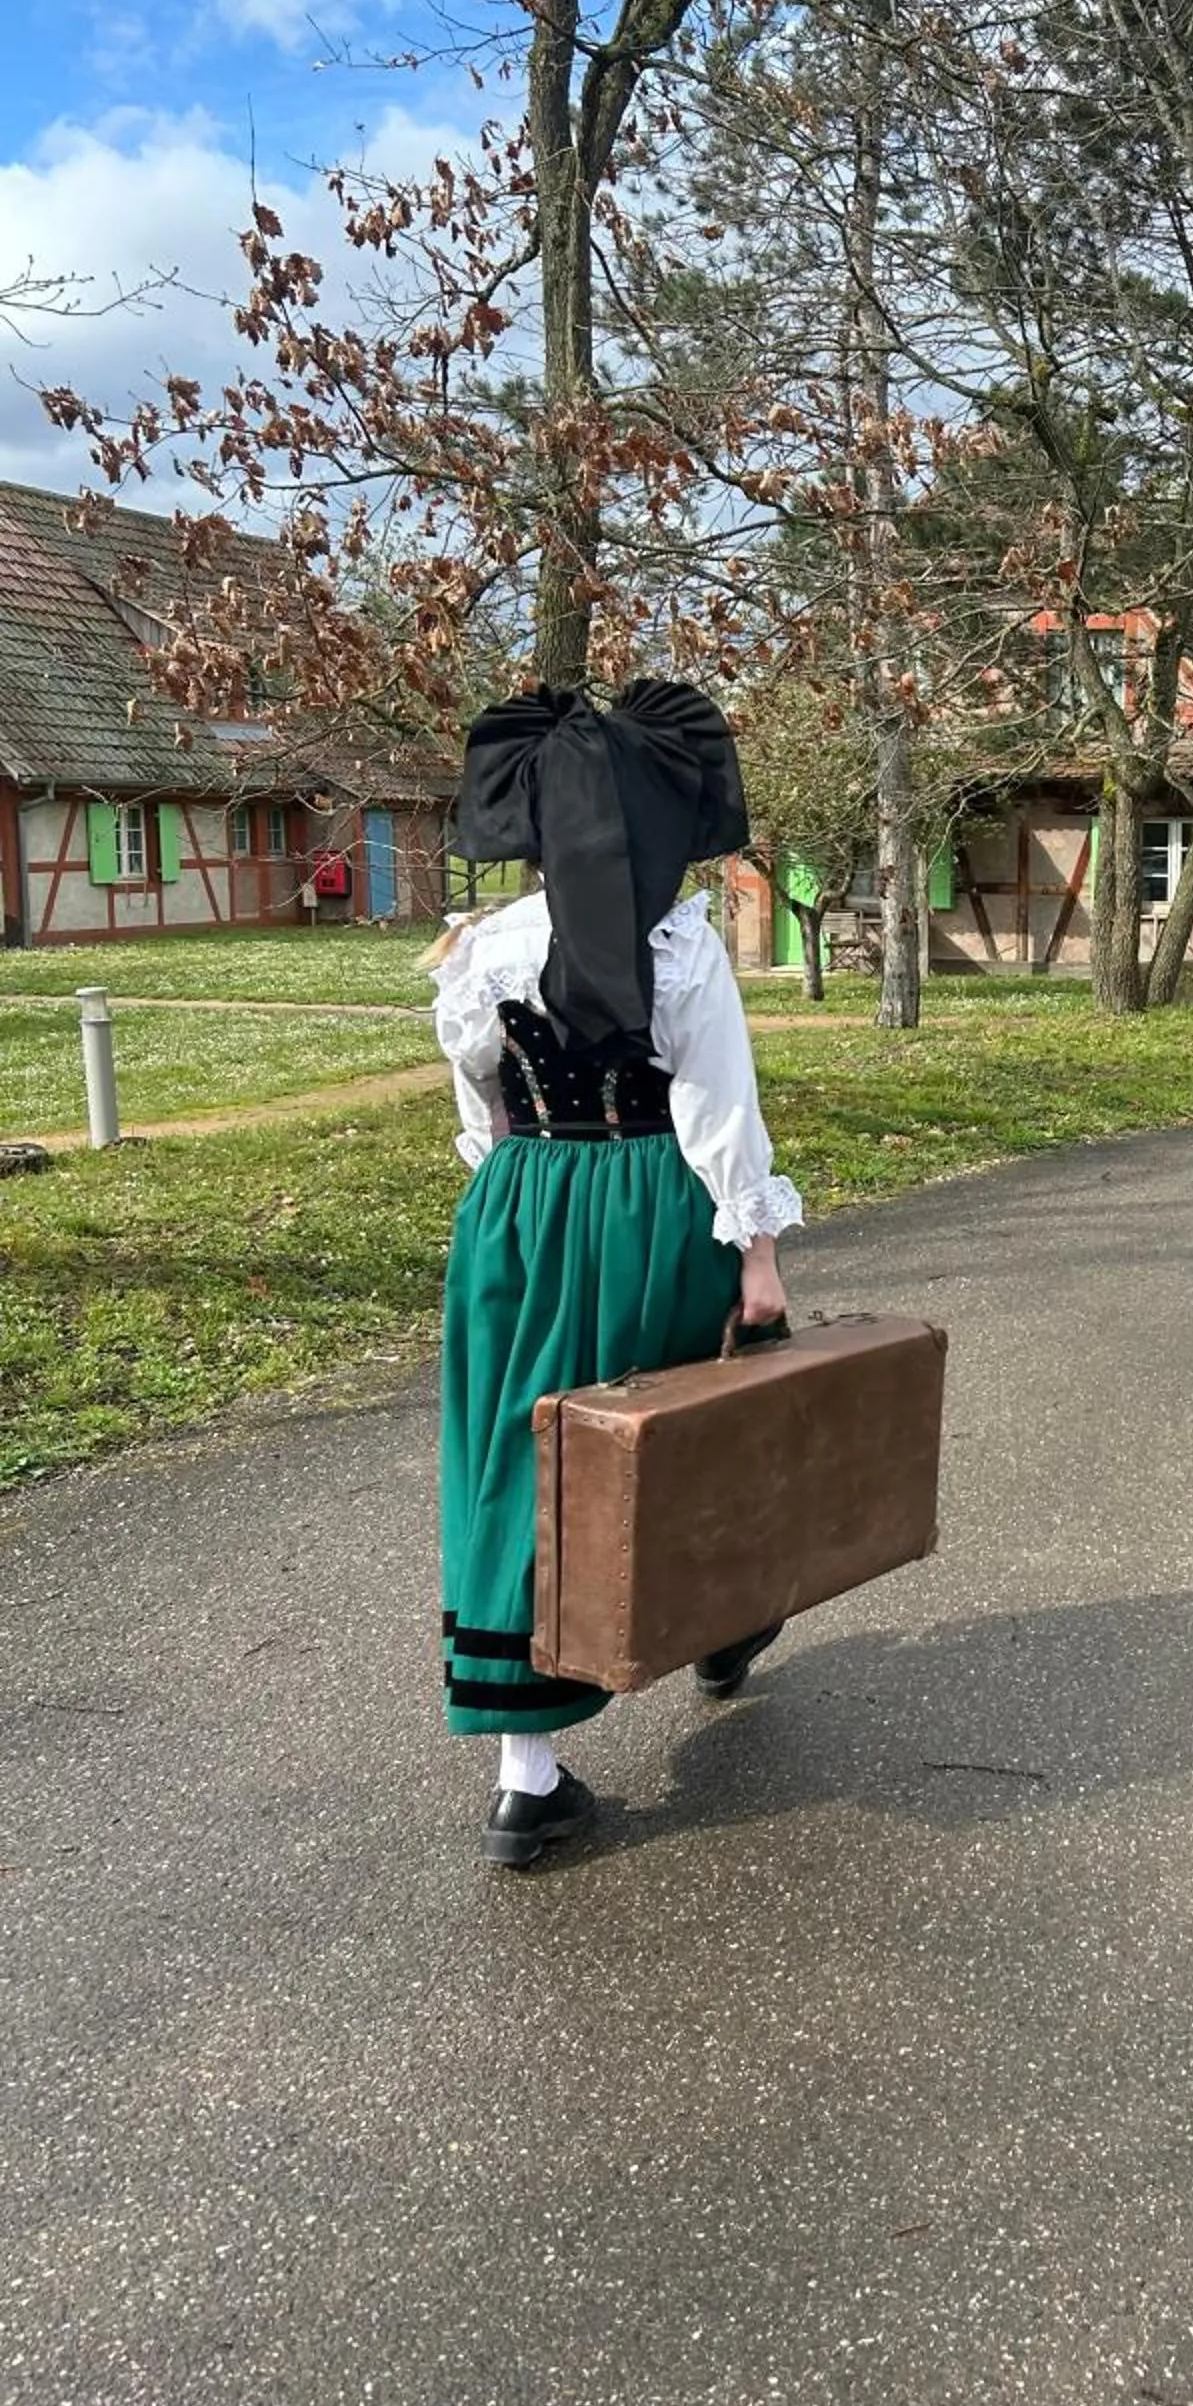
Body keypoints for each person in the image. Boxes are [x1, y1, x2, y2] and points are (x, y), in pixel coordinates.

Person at [427, 680, 803, 1869]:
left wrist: (515, 1204)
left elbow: (480, 1109)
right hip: (650, 1206)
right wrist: (759, 1256)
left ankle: (524, 1780)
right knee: (688, 1432)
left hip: (518, 1213)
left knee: (518, 1456)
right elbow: (718, 1113)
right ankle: (724, 1622)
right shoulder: (682, 944)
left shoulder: (481, 950)